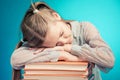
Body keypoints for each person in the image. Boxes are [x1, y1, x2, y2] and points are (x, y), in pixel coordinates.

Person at [11, 1, 115, 80]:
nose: (63, 42)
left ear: (56, 16)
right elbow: (15, 60)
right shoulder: (43, 41)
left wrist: (70, 48)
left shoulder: (84, 28)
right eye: (56, 44)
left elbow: (108, 59)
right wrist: (60, 54)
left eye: (61, 34)